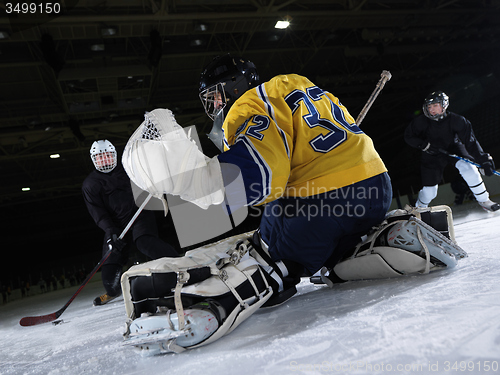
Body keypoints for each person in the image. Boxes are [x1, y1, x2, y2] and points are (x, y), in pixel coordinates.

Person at [82, 139, 179, 306]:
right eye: (100, 157)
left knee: (145, 242)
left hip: (139, 214)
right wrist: (110, 231)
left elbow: (149, 177)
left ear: (114, 156)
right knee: (110, 277)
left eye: (107, 156)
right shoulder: (90, 185)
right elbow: (98, 213)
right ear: (94, 160)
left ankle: (179, 264)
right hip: (115, 226)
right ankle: (113, 291)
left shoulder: (129, 168)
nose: (105, 160)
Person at [404, 91, 499, 212]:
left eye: (435, 105)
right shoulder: (421, 122)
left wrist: (484, 160)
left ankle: (485, 201)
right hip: (431, 153)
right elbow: (408, 136)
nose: (431, 109)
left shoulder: (457, 121)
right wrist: (424, 145)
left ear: (444, 105)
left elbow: (471, 142)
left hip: (453, 148)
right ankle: (419, 208)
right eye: (429, 106)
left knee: (469, 169)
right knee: (430, 191)